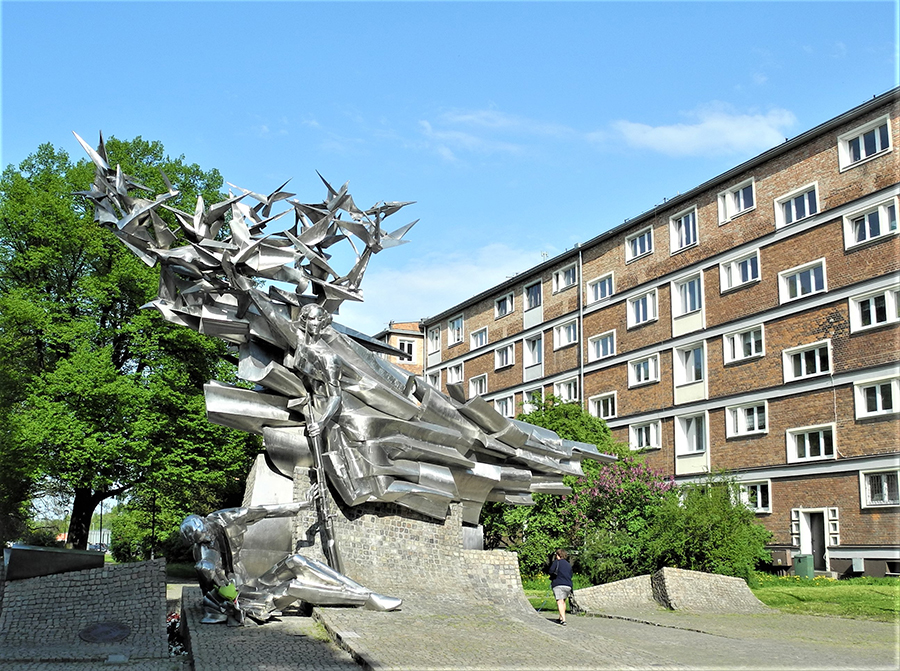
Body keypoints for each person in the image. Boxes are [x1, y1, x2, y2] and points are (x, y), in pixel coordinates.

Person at [548, 548, 573, 626]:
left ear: (558, 555)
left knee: (559, 601)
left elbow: (551, 571)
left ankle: (564, 619)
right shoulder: (568, 564)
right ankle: (561, 618)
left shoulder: (557, 562)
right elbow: (571, 574)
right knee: (563, 601)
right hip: (568, 585)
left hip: (558, 584)